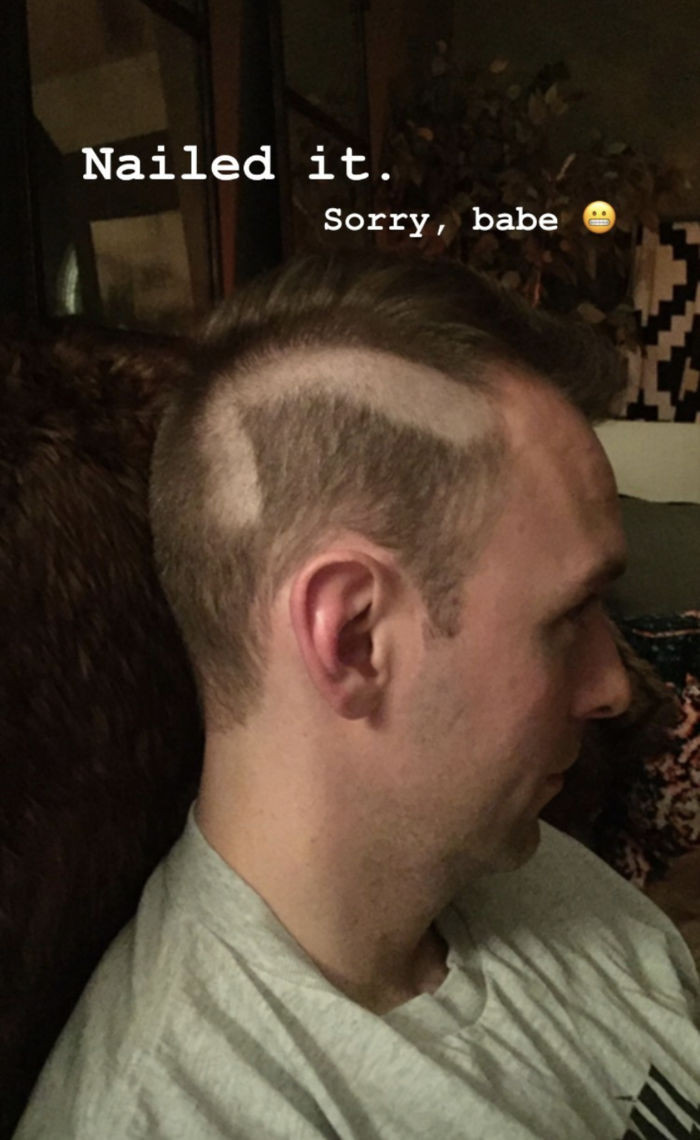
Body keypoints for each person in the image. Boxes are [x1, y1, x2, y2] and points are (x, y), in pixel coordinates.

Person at [13, 253, 700, 1139]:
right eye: (569, 617)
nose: (614, 688)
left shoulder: (536, 870)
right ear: (352, 639)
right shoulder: (176, 1114)